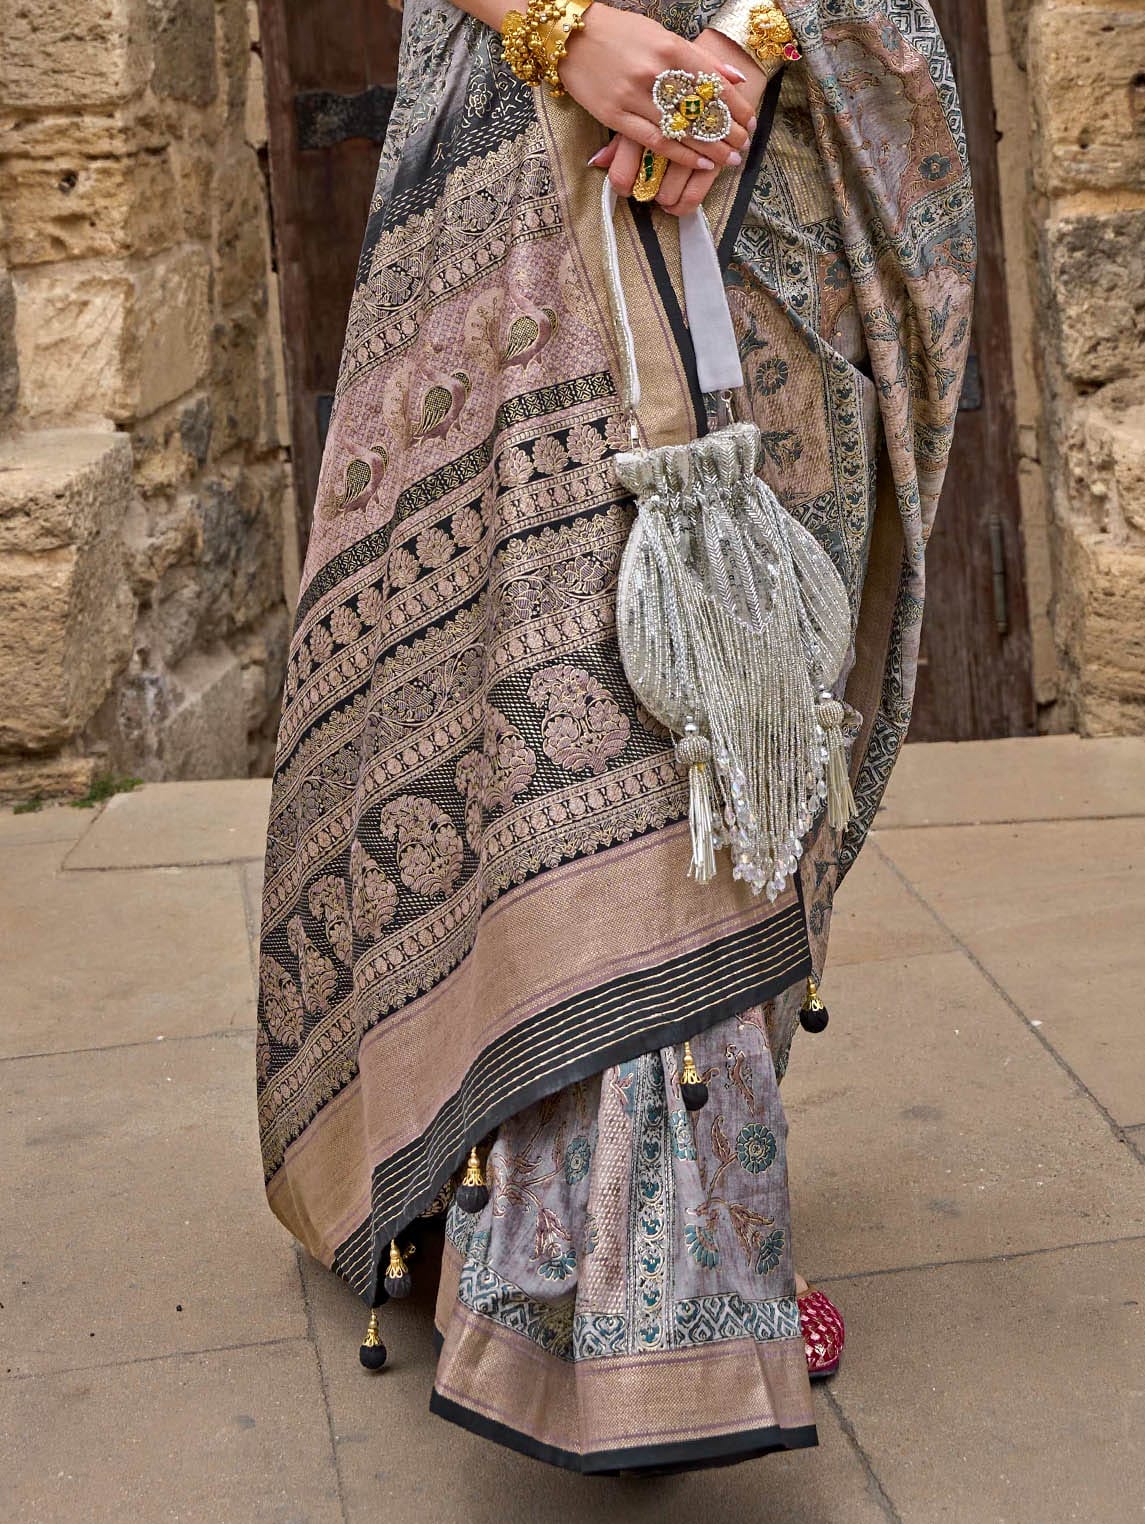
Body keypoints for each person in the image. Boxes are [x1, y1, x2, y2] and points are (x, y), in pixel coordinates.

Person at [255, 0, 974, 1474]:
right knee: (576, 672)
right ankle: (594, 1270)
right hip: (529, 142)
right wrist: (556, 27)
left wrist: (756, 37)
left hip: (787, 143)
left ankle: (656, 1231)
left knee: (740, 684)